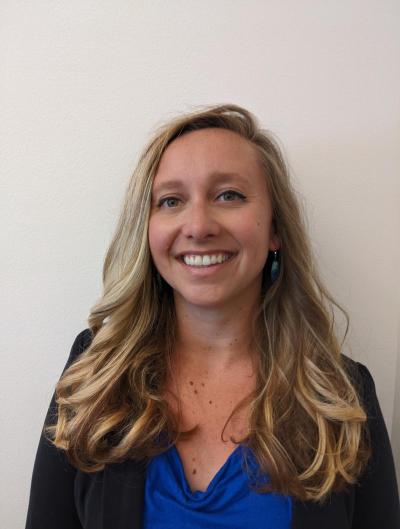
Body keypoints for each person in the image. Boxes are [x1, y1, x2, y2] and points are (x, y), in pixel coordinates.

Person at [25, 104, 399, 529]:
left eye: (229, 195)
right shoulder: (95, 374)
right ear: (147, 231)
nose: (198, 224)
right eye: (171, 200)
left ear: (275, 229)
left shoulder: (341, 398)